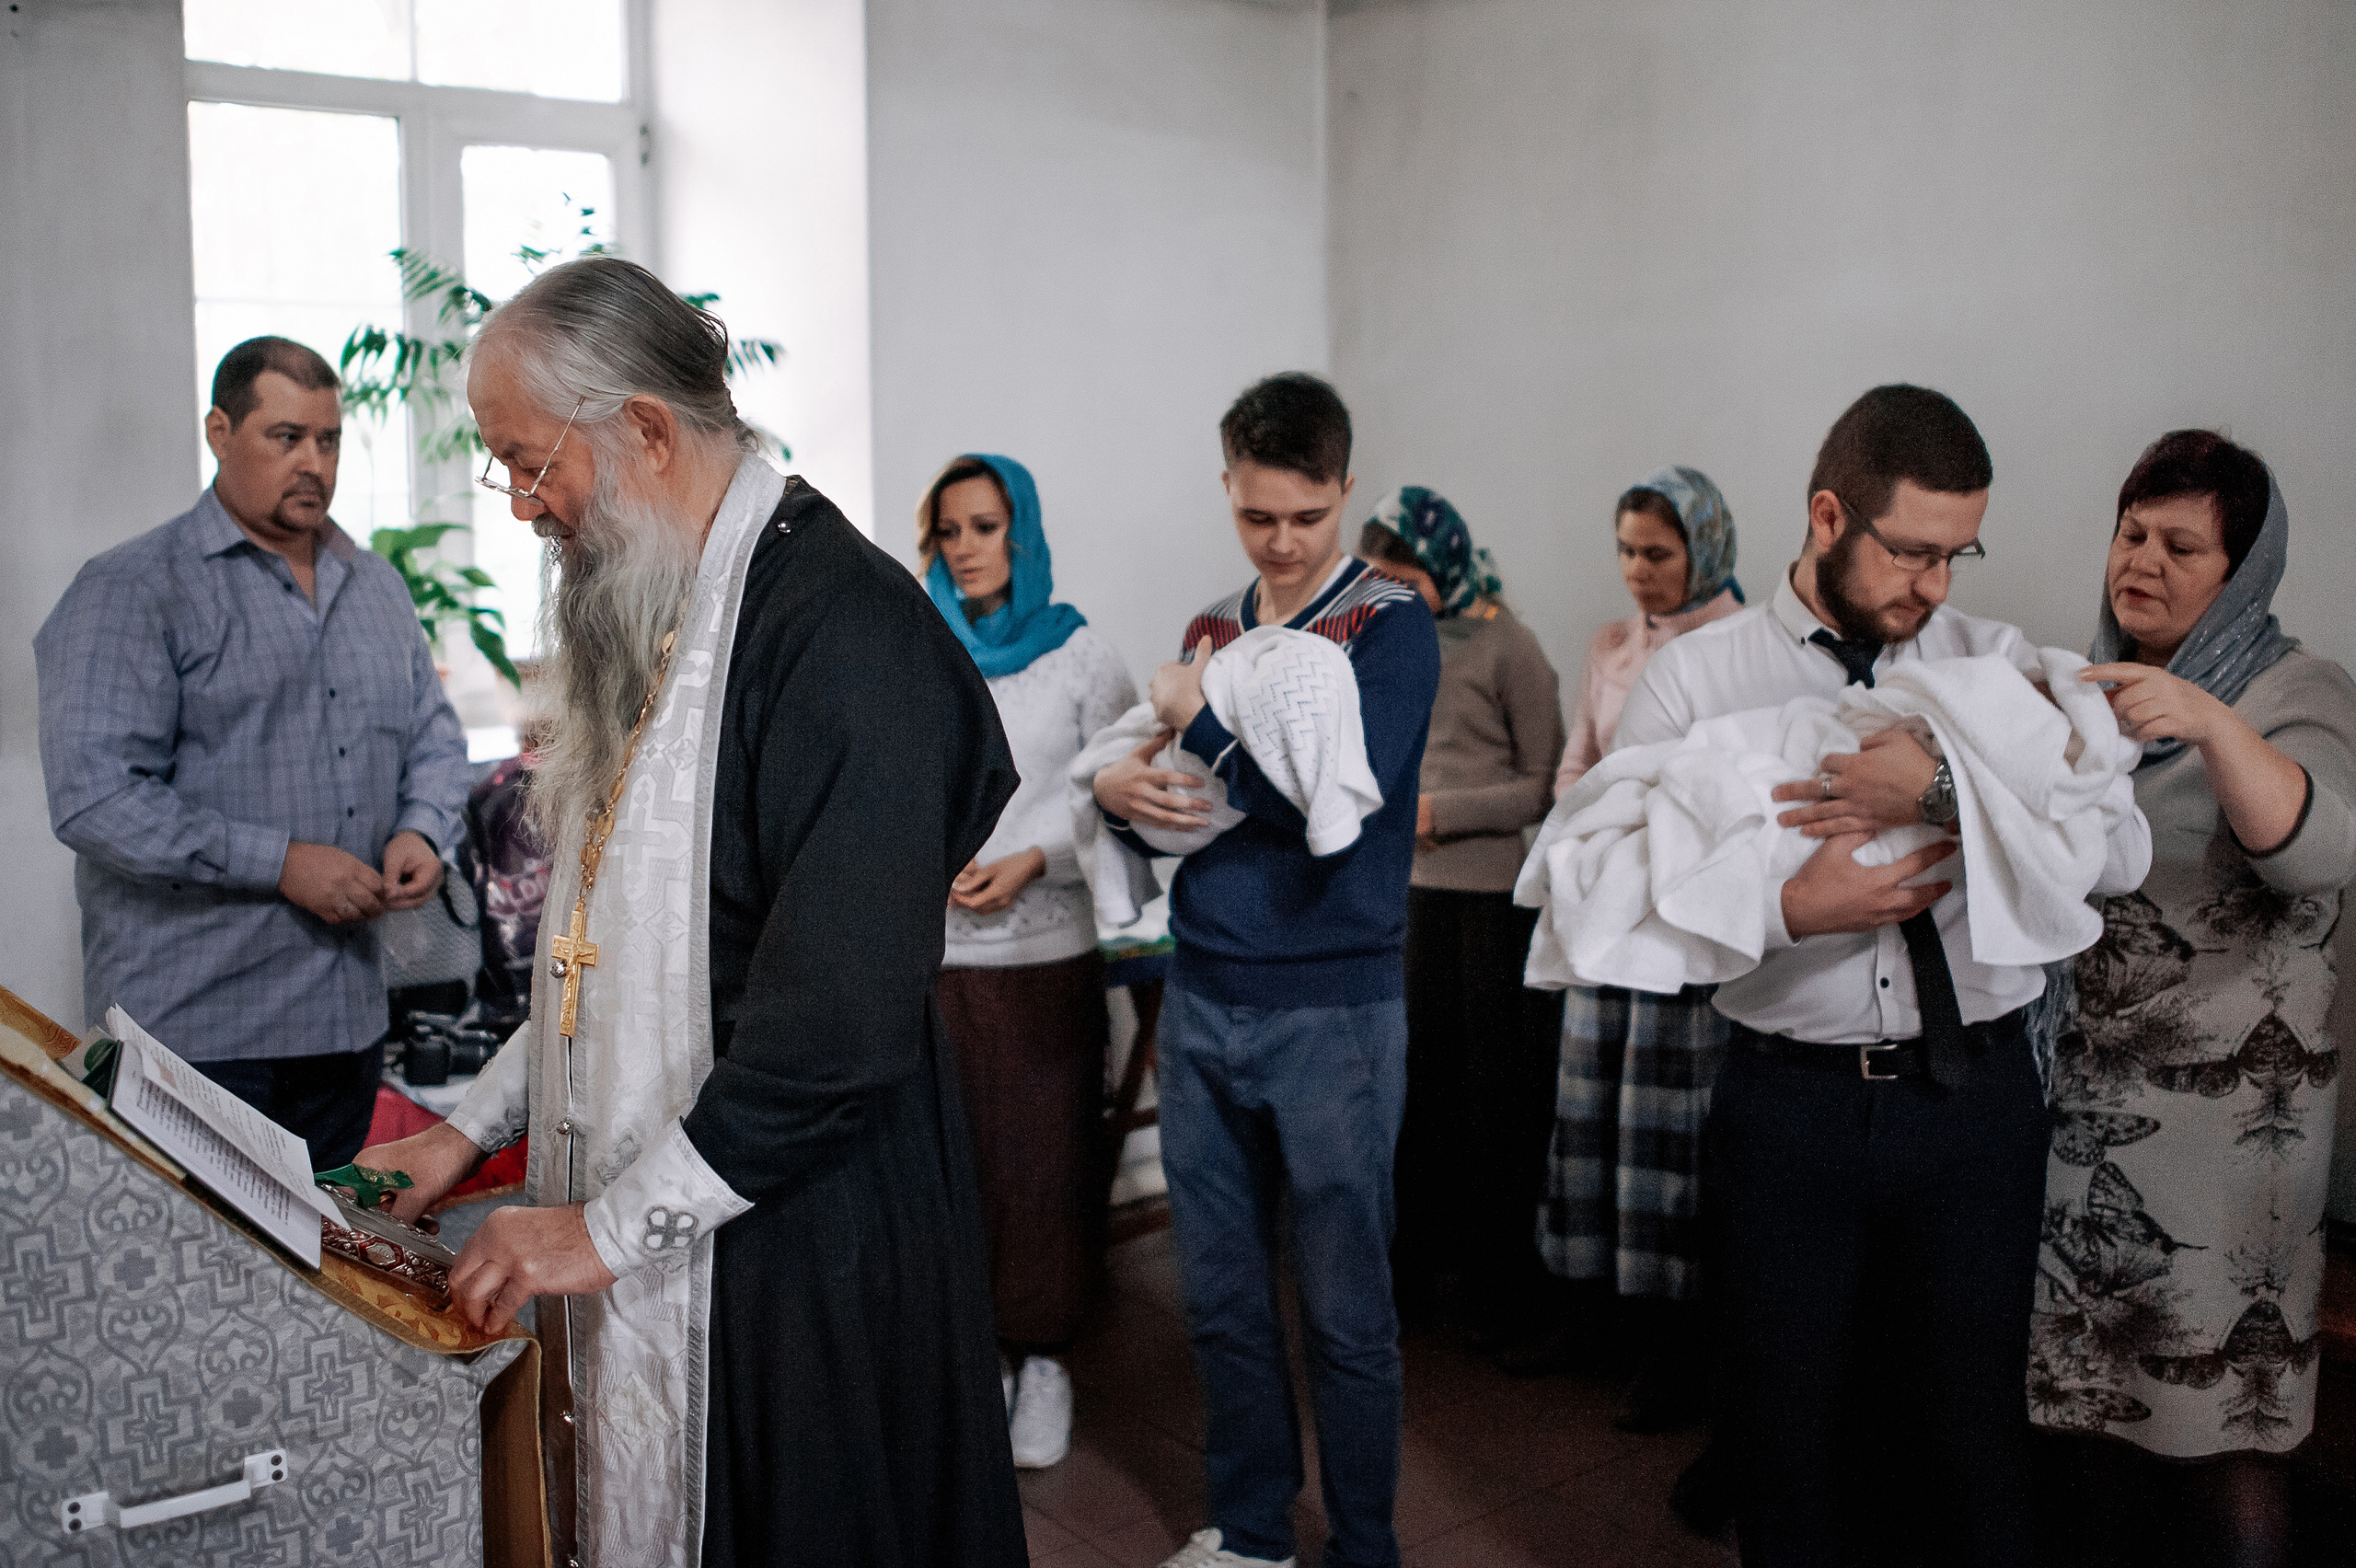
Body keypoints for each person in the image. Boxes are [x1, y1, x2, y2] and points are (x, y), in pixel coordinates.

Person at [352, 258, 1027, 1568]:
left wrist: (603, 1232)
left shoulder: (846, 637)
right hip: (699, 1216)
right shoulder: (672, 607)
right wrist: (467, 1129)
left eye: (530, 462)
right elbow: (594, 961)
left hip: (804, 1248)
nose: (525, 507)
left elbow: (834, 1029)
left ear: (648, 431)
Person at [1614, 385, 2150, 1567]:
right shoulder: (1693, 683)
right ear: (1826, 517)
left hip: (1975, 1102)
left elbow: (2110, 853)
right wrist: (1790, 906)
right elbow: (1627, 899)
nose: (1935, 588)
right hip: (1787, 1106)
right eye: (1912, 552)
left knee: (1970, 1433)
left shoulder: (1996, 665)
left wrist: (1946, 796)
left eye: (1957, 555)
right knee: (1785, 1435)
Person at [1091, 373, 1439, 1568]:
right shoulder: (1209, 630)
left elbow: (1344, 796)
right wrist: (1121, 796)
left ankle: (1366, 1545)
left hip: (1336, 1006)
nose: (1284, 545)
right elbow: (1180, 800)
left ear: (1345, 487)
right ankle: (1250, 1532)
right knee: (1224, 1301)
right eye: (1258, 518)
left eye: (1307, 516)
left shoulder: (1392, 622)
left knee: (1346, 1312)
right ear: (1228, 489)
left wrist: (1194, 723)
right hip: (1203, 994)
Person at [2029, 432, 2355, 1568]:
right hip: (2092, 1131)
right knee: (2090, 1423)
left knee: (2227, 1436)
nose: (2143, 562)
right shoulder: (2085, 694)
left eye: (2181, 544)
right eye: (2130, 533)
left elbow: (2313, 853)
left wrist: (2211, 722)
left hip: (2228, 1154)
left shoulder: (2294, 687)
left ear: (2243, 571)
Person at [34, 336, 468, 1170]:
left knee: (326, 1289)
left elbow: (434, 736)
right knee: (197, 1287)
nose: (313, 462)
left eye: (329, 440)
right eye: (286, 437)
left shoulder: (375, 586)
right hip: (197, 1030)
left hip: (344, 1025)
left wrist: (420, 829)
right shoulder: (132, 589)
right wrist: (280, 863)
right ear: (219, 431)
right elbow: (94, 797)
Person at [1510, 468, 1743, 1433]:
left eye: (1658, 551)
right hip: (1602, 908)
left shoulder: (1740, 644)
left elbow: (1716, 791)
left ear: (1703, 548)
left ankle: (1671, 1349)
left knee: (1665, 1136)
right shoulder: (1611, 645)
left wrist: (1623, 819)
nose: (1639, 571)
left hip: (1680, 924)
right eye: (1626, 551)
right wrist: (1592, 834)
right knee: (1587, 1118)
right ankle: (1587, 1315)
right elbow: (1575, 772)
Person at [919, 451, 1137, 1470]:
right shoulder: (915, 641)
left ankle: (1045, 1357)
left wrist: (1037, 858)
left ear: (1023, 533)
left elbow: (1121, 787)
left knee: (1044, 1160)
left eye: (984, 527)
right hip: (941, 956)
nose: (964, 549)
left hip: (1046, 948)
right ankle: (978, 1359)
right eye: (949, 530)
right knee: (952, 1161)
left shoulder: (1080, 654)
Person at [1355, 487, 1564, 1343]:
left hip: (1486, 905)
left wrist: (1439, 812)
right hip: (1405, 899)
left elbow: (1540, 785)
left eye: (1400, 577)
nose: (1387, 596)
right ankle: (1410, 1284)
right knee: (1412, 1094)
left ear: (1441, 563)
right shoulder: (1384, 644)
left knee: (1492, 1104)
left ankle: (1501, 1295)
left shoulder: (1510, 645)